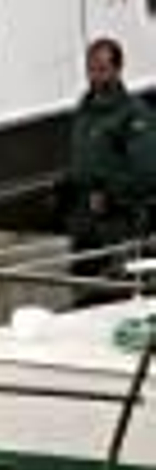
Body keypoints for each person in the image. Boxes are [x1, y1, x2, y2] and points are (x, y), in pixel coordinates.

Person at [66, 37, 156, 286]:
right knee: (83, 288)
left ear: (117, 70)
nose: (95, 77)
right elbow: (83, 161)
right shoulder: (84, 112)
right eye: (91, 69)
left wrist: (110, 194)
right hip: (84, 225)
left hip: (119, 223)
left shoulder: (134, 114)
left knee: (117, 290)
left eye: (102, 70)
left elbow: (148, 173)